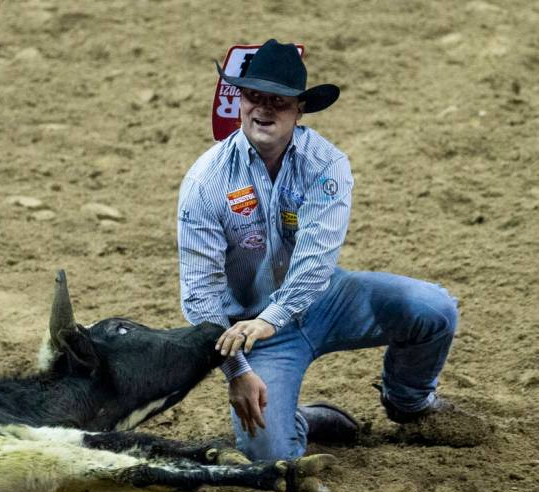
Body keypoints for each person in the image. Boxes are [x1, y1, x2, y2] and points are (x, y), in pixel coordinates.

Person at [177, 39, 482, 461]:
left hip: (323, 300)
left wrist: (273, 317)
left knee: (434, 309)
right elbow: (199, 294)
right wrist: (237, 371)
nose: (263, 109)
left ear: (299, 109)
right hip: (251, 336)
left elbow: (315, 262)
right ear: (239, 100)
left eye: (279, 101)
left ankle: (409, 404)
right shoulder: (205, 182)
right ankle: (307, 419)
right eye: (254, 96)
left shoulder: (326, 163)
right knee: (270, 457)